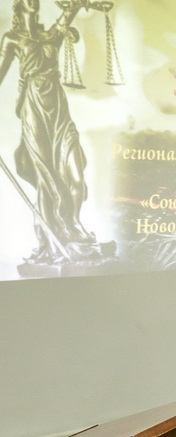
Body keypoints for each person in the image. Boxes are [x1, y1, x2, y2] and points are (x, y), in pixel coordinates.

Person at [0, 0, 101, 264]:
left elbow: (69, 13)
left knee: (75, 172)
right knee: (46, 177)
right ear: (19, 4)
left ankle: (73, 224)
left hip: (58, 108)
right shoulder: (12, 38)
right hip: (33, 107)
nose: (33, 1)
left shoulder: (50, 35)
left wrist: (81, 5)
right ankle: (50, 237)